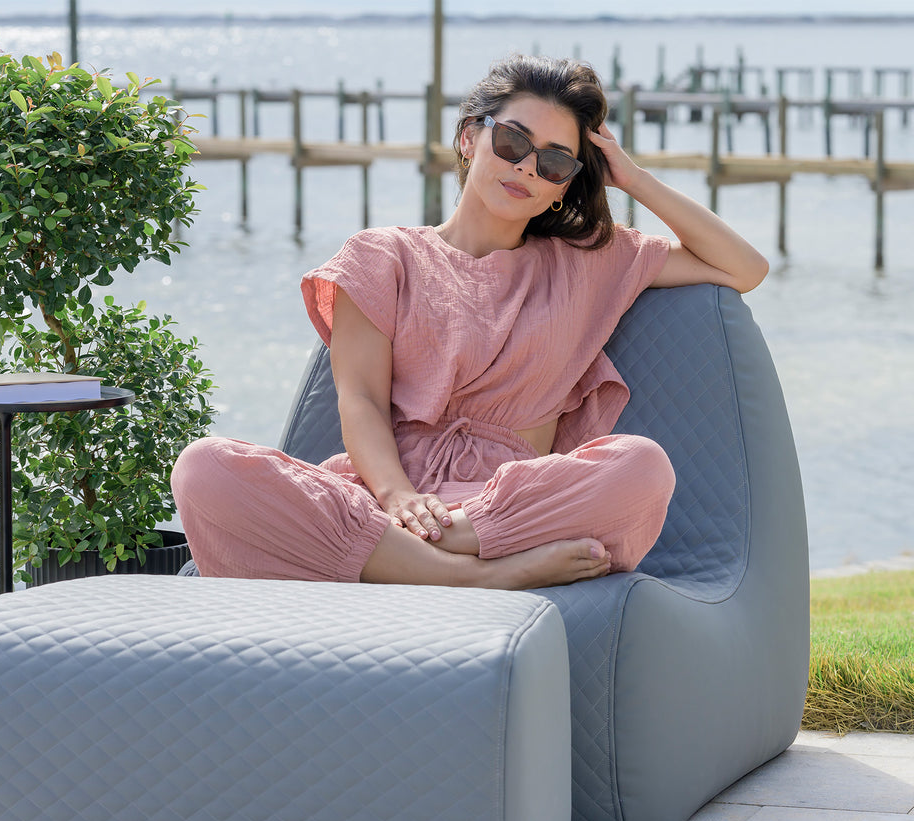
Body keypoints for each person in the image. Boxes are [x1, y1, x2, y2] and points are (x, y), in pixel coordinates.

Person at [171, 54, 768, 590]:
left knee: (641, 467)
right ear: (468, 138)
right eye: (512, 142)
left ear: (564, 185)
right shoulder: (384, 256)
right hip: (383, 496)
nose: (528, 167)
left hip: (499, 507)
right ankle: (468, 576)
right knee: (205, 467)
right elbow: (360, 402)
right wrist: (399, 498)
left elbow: (744, 267)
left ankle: (418, 559)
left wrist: (632, 178)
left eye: (556, 161)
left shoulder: (590, 261)